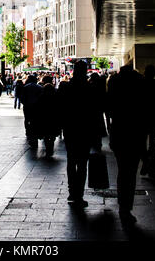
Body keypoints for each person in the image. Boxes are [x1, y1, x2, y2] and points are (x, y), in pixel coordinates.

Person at [108, 65, 149, 225]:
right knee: (130, 173)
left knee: (122, 171)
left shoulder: (114, 83)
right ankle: (126, 206)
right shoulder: (140, 83)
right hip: (136, 133)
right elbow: (145, 110)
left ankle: (123, 205)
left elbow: (110, 108)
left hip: (119, 133)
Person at [60, 60, 100, 208]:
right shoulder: (90, 88)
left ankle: (72, 192)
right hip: (85, 129)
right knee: (83, 163)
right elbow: (95, 111)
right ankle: (79, 194)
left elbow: (61, 107)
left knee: (71, 161)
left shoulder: (66, 86)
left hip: (70, 129)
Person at [33, 83, 61, 156]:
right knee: (52, 134)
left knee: (45, 134)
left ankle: (47, 147)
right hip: (53, 118)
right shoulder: (55, 97)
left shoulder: (41, 97)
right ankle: (50, 147)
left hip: (44, 118)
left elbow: (37, 108)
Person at [21, 75, 43, 148]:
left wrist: (25, 103)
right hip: (36, 107)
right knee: (35, 121)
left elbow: (22, 98)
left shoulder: (25, 87)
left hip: (27, 106)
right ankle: (34, 135)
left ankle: (28, 132)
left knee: (27, 119)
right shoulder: (39, 87)